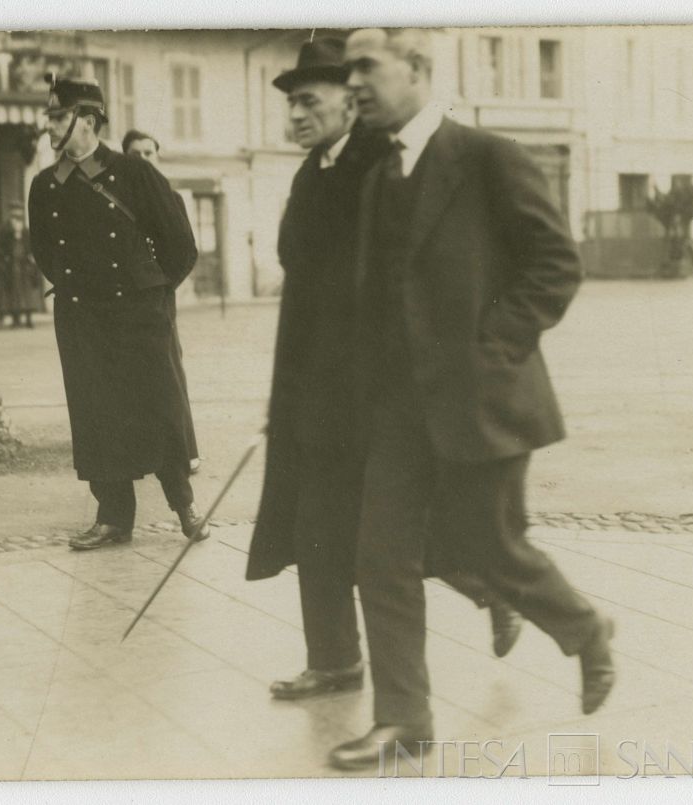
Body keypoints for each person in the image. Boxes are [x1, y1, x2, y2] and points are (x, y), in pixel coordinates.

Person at [327, 29, 615, 769]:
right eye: (348, 69)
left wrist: (492, 347)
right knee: (380, 556)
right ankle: (404, 717)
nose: (351, 81)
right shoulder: (374, 178)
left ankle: (585, 629)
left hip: (481, 399)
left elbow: (555, 263)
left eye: (366, 65)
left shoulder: (488, 158)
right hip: (397, 409)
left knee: (492, 548)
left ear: (417, 68)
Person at [246, 36, 523, 705]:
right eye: (292, 106)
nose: (298, 117)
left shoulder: (384, 164)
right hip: (316, 386)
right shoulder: (313, 171)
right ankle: (335, 659)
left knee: (386, 532)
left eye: (310, 101)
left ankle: (491, 584)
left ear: (349, 98)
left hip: (375, 389)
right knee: (317, 522)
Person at [27, 74, 208, 550]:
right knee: (96, 414)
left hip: (138, 315)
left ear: (87, 121)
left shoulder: (134, 173)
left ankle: (184, 505)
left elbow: (181, 244)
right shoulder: (46, 185)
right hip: (83, 318)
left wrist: (152, 292)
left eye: (58, 116)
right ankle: (113, 517)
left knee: (161, 408)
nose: (49, 126)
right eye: (49, 116)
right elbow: (43, 251)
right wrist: (75, 288)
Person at [122, 129, 202, 475]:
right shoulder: (114, 198)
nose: (143, 160)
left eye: (148, 153)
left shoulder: (171, 197)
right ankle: (141, 454)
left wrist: (164, 285)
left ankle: (185, 452)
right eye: (135, 155)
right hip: (122, 300)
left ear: (158, 157)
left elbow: (186, 250)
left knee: (169, 370)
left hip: (158, 298)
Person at [0, 202, 42, 329]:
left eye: (19, 214)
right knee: (13, 292)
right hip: (11, 266)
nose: (17, 217)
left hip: (25, 265)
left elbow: (31, 244)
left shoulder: (25, 230)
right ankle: (15, 318)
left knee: (27, 291)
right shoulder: (4, 230)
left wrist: (31, 256)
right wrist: (4, 257)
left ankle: (28, 318)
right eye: (14, 214)